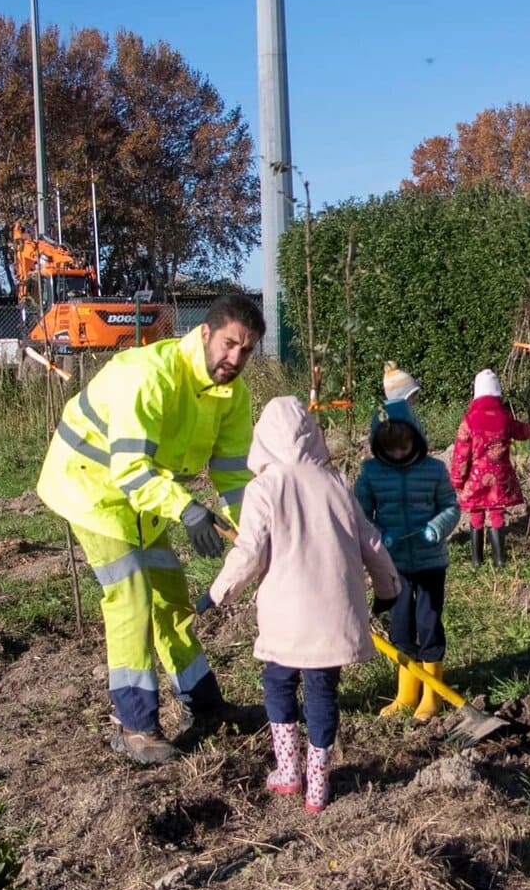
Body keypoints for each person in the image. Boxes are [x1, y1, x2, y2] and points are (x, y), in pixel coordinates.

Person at [36, 293, 262, 765]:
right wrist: (187, 510)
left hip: (146, 500)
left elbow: (234, 477)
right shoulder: (149, 375)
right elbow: (131, 469)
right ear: (205, 333)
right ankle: (134, 724)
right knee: (131, 593)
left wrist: (255, 536)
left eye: (246, 350)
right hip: (93, 487)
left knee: (171, 596)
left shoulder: (232, 396)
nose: (235, 359)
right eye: (228, 344)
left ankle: (204, 706)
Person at [195, 398, 401, 811]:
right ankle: (318, 784)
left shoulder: (264, 488)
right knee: (323, 690)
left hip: (286, 614)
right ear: (311, 434)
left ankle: (288, 771)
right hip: (333, 610)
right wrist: (387, 588)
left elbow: (250, 552)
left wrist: (217, 592)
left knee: (278, 681)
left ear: (264, 438)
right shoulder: (336, 483)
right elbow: (370, 541)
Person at [355, 399, 460, 721]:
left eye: (404, 446)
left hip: (430, 561)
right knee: (400, 628)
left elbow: (451, 507)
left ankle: (432, 695)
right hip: (393, 566)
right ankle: (406, 693)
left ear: (416, 438)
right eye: (391, 448)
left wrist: (436, 528)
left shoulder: (434, 470)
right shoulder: (370, 474)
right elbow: (359, 514)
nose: (399, 454)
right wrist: (378, 535)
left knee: (428, 624)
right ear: (379, 444)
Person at [450, 369, 530, 567]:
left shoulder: (469, 421)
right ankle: (499, 560)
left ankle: (476, 560)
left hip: (475, 475)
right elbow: (521, 431)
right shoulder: (505, 417)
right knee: (497, 512)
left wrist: (457, 478)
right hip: (500, 475)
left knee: (476, 513)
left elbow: (461, 453)